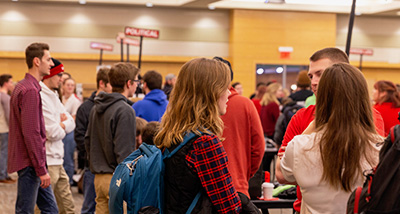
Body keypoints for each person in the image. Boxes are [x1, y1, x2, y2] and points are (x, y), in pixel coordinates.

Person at [275, 47, 385, 213]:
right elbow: (282, 174)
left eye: (321, 74)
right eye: (311, 76)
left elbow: (285, 168)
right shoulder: (301, 117)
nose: (313, 81)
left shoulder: (373, 121)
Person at [155, 58, 259, 214]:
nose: (229, 92)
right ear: (210, 93)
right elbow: (229, 207)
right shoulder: (204, 143)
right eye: (225, 87)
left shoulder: (171, 133)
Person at [8, 42, 59, 213]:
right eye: (48, 59)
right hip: (31, 163)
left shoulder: (23, 86)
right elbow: (32, 133)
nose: (51, 64)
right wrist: (41, 169)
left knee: (50, 209)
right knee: (26, 210)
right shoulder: (29, 90)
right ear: (37, 61)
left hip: (31, 162)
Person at [85, 62, 139, 214]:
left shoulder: (96, 107)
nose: (137, 85)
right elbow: (125, 152)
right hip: (116, 178)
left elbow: (88, 140)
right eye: (136, 81)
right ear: (129, 83)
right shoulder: (125, 110)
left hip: (99, 178)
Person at [215, 57, 264, 199]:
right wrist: (244, 173)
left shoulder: (200, 106)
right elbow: (259, 147)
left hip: (205, 188)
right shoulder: (246, 104)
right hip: (237, 184)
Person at [39, 57, 76, 213]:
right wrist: (62, 125)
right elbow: (51, 132)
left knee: (68, 206)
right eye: (59, 75)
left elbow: (72, 123)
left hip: (58, 160)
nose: (62, 79)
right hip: (47, 162)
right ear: (49, 75)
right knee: (41, 208)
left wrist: (61, 124)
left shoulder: (54, 95)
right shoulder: (40, 96)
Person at [75, 67, 112, 214]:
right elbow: (80, 137)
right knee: (89, 207)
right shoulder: (85, 108)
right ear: (102, 83)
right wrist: (92, 158)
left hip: (109, 169)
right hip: (91, 168)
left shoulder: (115, 107)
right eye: (111, 84)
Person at [61, 77, 81, 185]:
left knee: (68, 157)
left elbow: (73, 118)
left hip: (70, 132)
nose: (69, 87)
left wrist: (65, 119)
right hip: (61, 130)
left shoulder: (75, 101)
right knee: (61, 157)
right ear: (63, 86)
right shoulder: (60, 98)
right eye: (68, 85)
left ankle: (68, 181)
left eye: (72, 85)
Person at [0, 74, 14, 183]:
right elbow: (9, 115)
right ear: (5, 83)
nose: (12, 84)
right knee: (4, 152)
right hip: (4, 129)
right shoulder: (5, 97)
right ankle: (2, 175)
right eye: (10, 82)